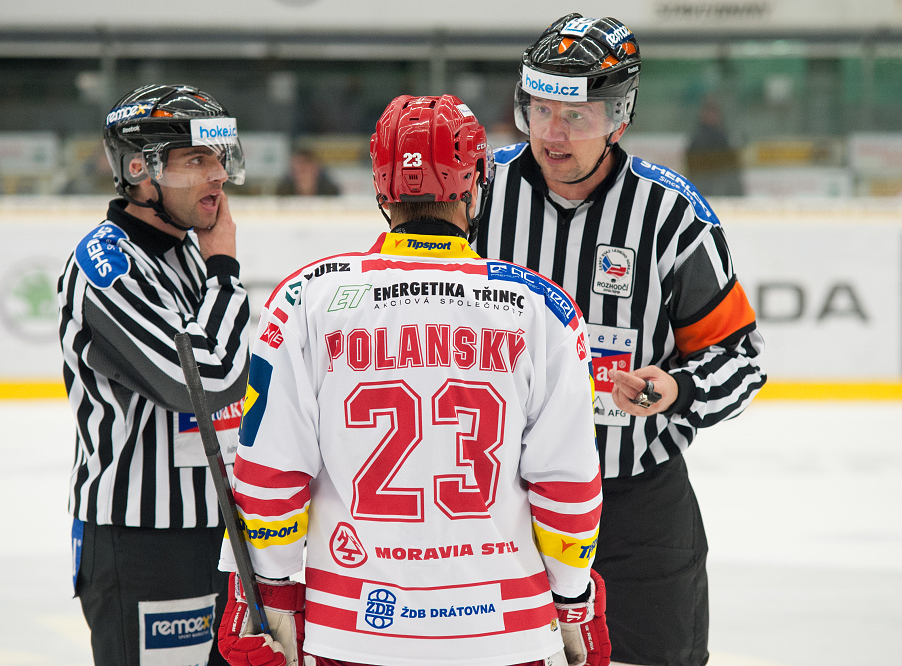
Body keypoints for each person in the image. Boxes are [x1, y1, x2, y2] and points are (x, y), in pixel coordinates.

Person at [216, 94, 610, 666]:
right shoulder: (542, 307)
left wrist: (270, 593)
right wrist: (573, 599)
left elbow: (270, 472)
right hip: (507, 632)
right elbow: (567, 482)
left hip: (352, 629)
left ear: (381, 189)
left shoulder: (306, 297)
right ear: (476, 184)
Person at [473, 15, 766, 666]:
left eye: (574, 115)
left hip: (636, 512)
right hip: (499, 505)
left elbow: (740, 362)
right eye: (539, 110)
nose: (551, 133)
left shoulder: (670, 215)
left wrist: (678, 388)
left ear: (618, 117)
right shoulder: (479, 195)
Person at [58, 84, 252, 666]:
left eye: (219, 157)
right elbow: (206, 381)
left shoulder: (187, 249)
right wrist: (225, 272)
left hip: (218, 533)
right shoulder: (106, 265)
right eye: (196, 160)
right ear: (139, 170)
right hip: (144, 542)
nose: (218, 175)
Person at [685, 96, 744, 197]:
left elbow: (731, 164)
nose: (711, 116)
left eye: (714, 113)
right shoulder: (697, 137)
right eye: (709, 113)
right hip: (703, 181)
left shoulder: (724, 136)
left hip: (721, 181)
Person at [275, 148, 341, 196]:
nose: (303, 176)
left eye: (305, 170)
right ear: (292, 172)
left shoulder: (330, 192)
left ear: (316, 169)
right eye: (299, 170)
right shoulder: (283, 192)